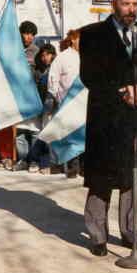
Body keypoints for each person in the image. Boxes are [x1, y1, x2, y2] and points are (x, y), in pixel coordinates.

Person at [79, 0, 137, 256]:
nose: (131, 10)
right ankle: (97, 236)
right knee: (102, 177)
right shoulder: (93, 35)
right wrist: (121, 91)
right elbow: (90, 75)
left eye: (135, 4)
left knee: (132, 176)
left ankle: (130, 233)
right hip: (107, 117)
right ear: (113, 4)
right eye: (126, 4)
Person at [14, 44, 56, 174]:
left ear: (53, 55)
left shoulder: (55, 68)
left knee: (45, 136)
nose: (45, 58)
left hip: (52, 107)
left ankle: (42, 162)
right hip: (34, 106)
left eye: (47, 55)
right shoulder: (37, 71)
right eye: (42, 55)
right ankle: (26, 160)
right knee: (24, 133)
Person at [49, 29, 83, 177]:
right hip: (66, 101)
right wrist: (58, 97)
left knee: (83, 135)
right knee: (68, 135)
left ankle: (83, 166)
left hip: (84, 101)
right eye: (80, 39)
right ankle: (70, 167)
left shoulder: (88, 56)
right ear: (73, 40)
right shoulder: (62, 57)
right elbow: (53, 78)